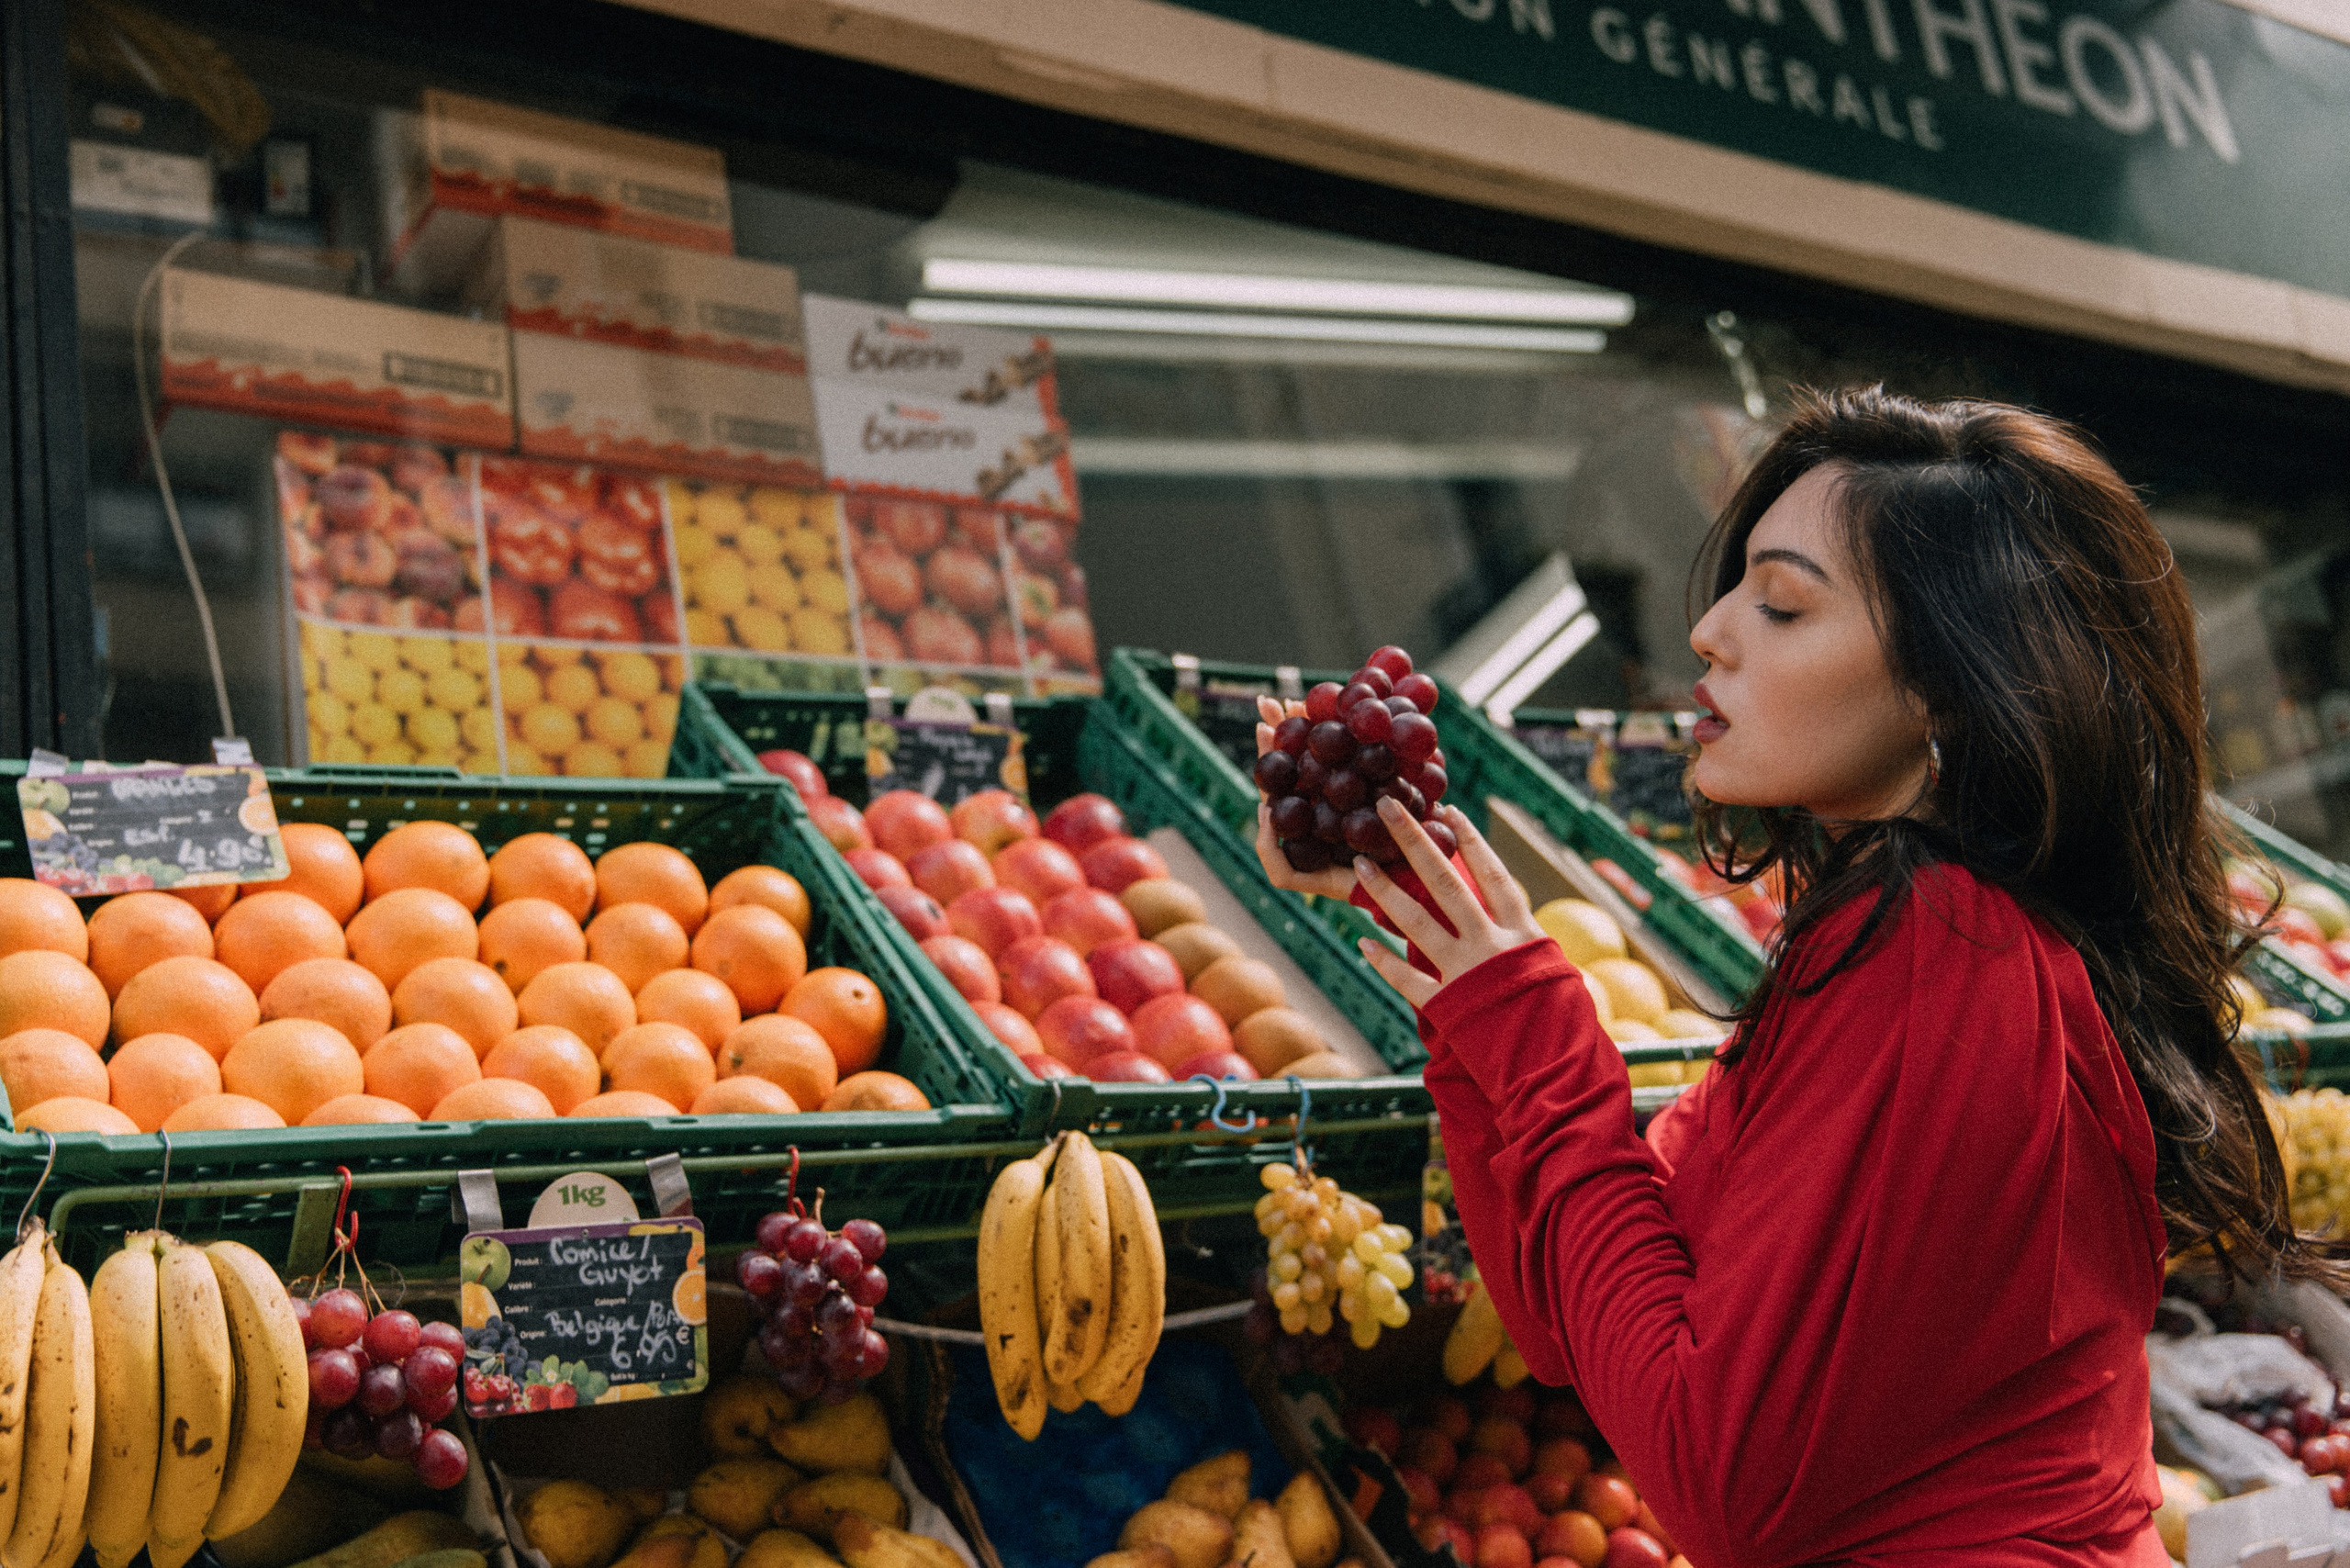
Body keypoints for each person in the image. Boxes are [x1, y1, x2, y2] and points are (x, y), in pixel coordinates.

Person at [1253, 387, 2334, 1566]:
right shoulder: (1919, 937)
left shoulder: (1942, 945)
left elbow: (1716, 1481)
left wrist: (1534, 1027)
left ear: (1945, 684)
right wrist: (1464, 977)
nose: (1711, 628)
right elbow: (1578, 1329)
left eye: (1780, 604)